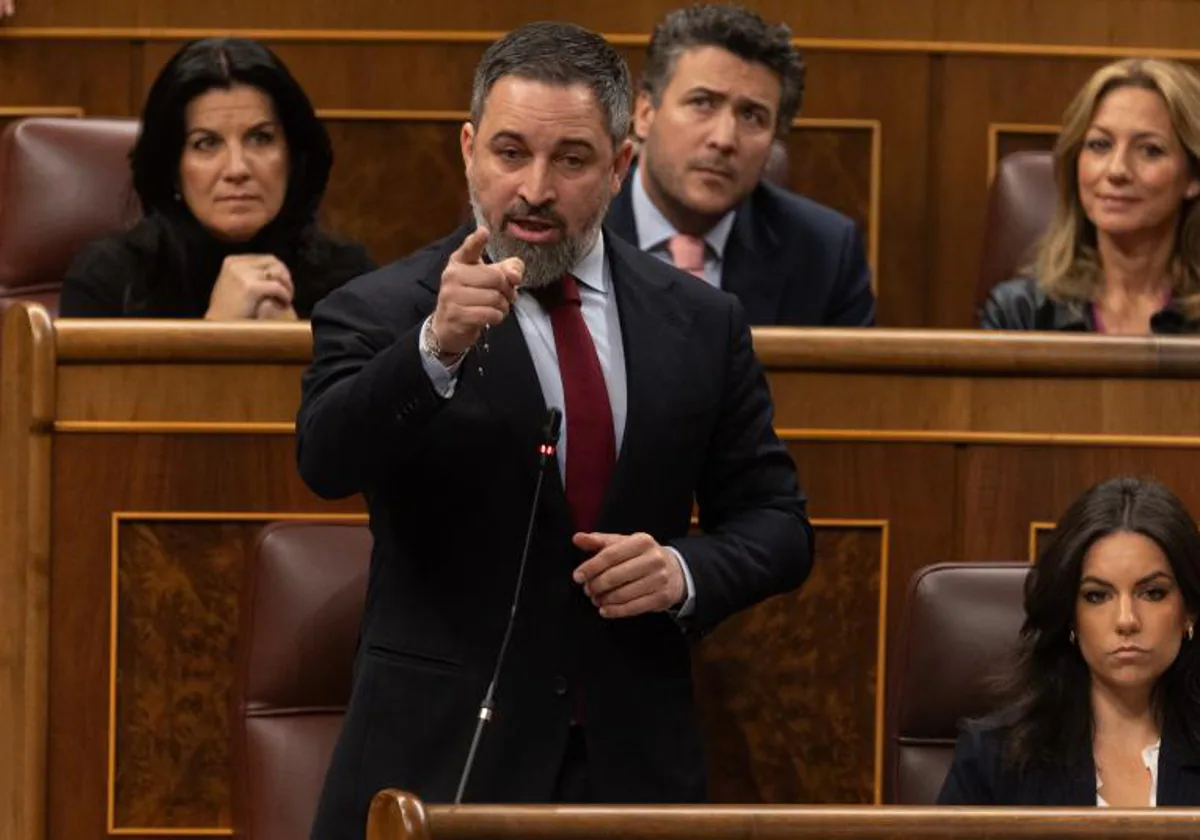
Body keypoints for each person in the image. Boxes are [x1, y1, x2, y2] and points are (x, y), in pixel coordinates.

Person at [297, 20, 812, 837]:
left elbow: (778, 525)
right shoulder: (383, 309)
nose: (534, 188)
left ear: (617, 165)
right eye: (509, 153)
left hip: (634, 767)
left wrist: (682, 569)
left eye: (571, 160)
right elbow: (325, 458)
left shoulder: (701, 322)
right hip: (442, 759)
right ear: (469, 150)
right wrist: (434, 349)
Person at [58, 37, 373, 320]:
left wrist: (295, 348)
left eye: (261, 138)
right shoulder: (106, 280)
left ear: (293, 156)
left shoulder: (349, 279)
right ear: (172, 168)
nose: (237, 169)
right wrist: (216, 333)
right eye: (206, 143)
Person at [605, 3, 875, 327]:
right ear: (646, 114)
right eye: (702, 103)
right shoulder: (574, 227)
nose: (724, 139)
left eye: (751, 116)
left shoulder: (825, 253)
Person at [938, 477, 1200, 806]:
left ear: (1188, 610)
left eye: (1152, 593)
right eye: (1097, 596)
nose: (1126, 620)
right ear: (1070, 616)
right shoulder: (994, 757)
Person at [981, 59, 1200, 333]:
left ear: (1193, 177)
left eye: (1150, 150)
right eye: (1100, 145)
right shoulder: (1019, 312)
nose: (1117, 170)